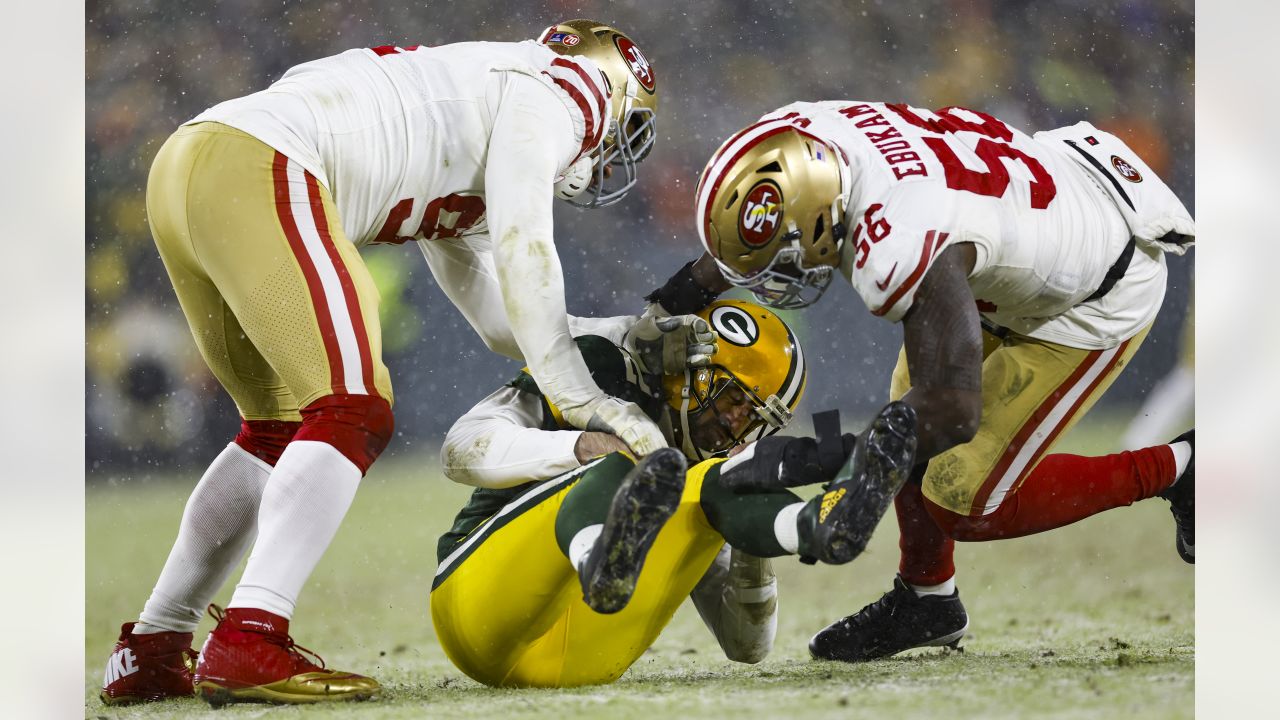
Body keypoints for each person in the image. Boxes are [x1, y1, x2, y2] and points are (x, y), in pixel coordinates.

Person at [100, 19, 684, 706]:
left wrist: (625, 332)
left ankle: (154, 646)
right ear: (606, 93)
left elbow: (506, 317)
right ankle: (252, 636)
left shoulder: (475, 115)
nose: (609, 156)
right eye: (624, 130)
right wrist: (589, 401)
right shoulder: (552, 95)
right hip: (263, 161)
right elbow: (531, 253)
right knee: (352, 409)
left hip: (193, 163)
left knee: (278, 430)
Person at [651, 100, 1195, 662]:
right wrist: (686, 288)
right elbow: (774, 213)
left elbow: (951, 411)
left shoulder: (902, 238)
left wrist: (814, 462)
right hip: (1029, 211)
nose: (772, 280)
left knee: (963, 498)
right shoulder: (805, 145)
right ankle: (927, 600)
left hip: (1092, 290)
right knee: (905, 409)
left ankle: (1179, 468)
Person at [430, 299, 918, 687]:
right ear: (693, 369)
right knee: (633, 464)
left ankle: (811, 526)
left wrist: (750, 542)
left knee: (714, 478)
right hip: (481, 611)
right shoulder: (602, 370)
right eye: (732, 400)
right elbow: (459, 449)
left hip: (589, 655)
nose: (734, 424)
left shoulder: (699, 475)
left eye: (753, 420)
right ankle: (594, 557)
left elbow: (746, 646)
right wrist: (584, 443)